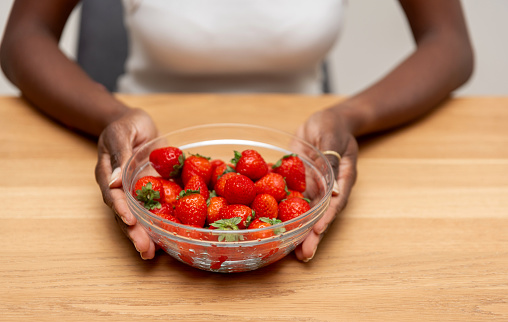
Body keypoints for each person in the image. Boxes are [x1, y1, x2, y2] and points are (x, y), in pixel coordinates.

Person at [0, 0, 473, 262]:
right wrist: (110, 117)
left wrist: (350, 117)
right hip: (151, 138)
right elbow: (23, 37)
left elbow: (450, 44)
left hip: (300, 138)